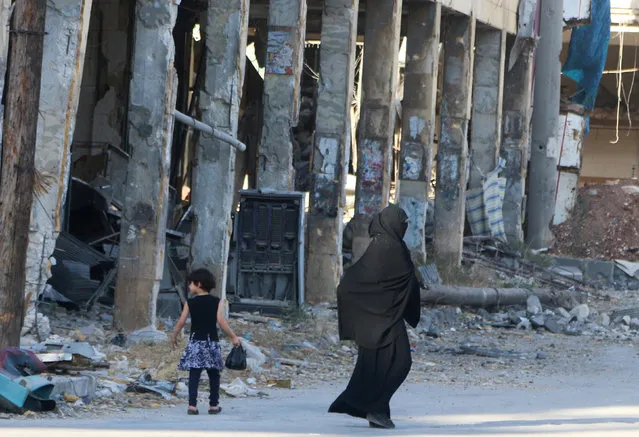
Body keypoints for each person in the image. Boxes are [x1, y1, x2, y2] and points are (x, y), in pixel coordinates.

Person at [329, 204, 421, 429]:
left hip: (373, 320)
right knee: (401, 363)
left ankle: (377, 411)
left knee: (375, 367)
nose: (404, 227)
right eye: (403, 222)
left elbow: (354, 282)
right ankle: (376, 408)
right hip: (385, 318)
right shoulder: (392, 247)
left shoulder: (379, 244)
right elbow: (402, 281)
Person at [172, 268, 242, 415]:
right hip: (211, 342)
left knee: (194, 374)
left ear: (199, 284)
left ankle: (192, 406)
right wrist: (233, 337)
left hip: (195, 342)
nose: (189, 286)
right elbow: (221, 322)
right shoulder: (217, 302)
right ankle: (213, 405)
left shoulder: (189, 303)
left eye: (191, 283)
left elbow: (181, 321)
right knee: (214, 374)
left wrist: (174, 335)